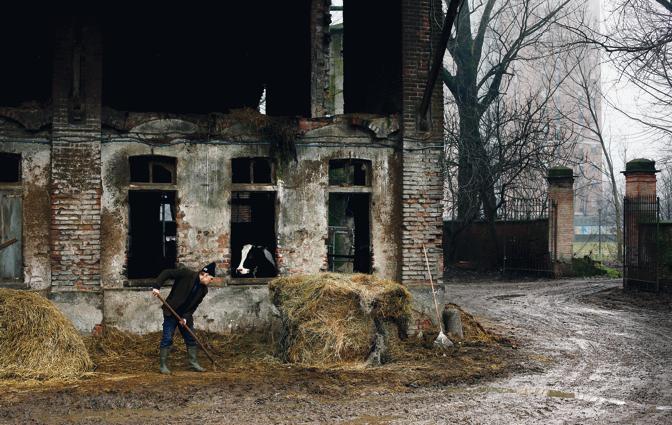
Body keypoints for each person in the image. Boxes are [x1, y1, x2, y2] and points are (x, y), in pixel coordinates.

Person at [152, 262, 215, 374]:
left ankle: (193, 363)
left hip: (185, 315)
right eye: (211, 278)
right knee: (167, 338)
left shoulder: (203, 290)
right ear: (205, 275)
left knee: (191, 338)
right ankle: (163, 366)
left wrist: (185, 318)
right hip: (171, 312)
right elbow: (167, 273)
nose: (211, 281)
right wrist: (157, 286)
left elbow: (194, 306)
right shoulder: (186, 274)